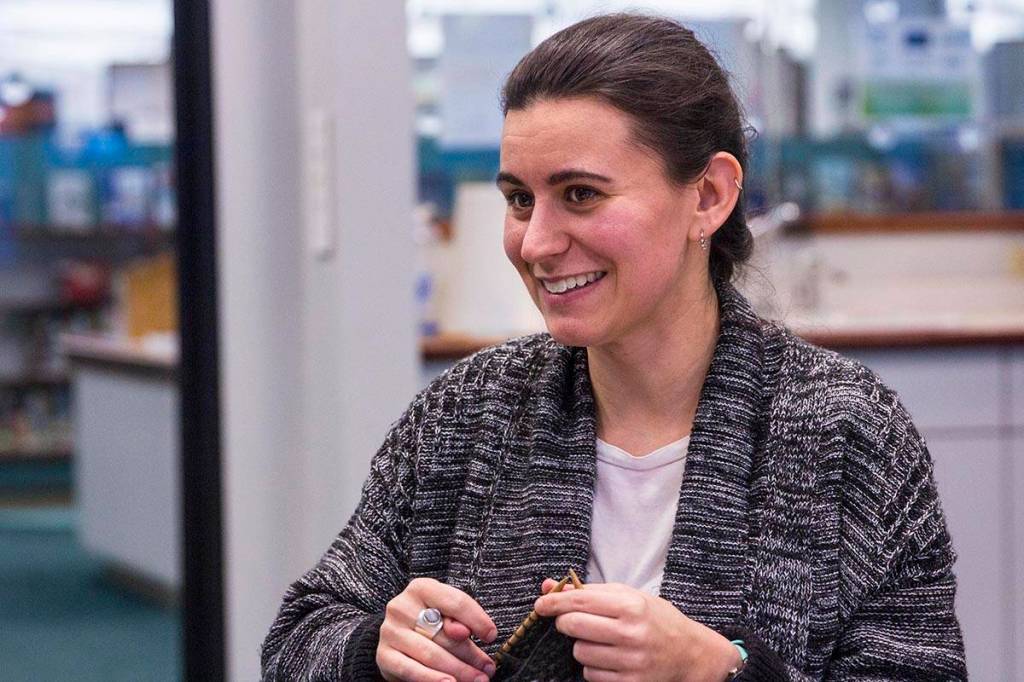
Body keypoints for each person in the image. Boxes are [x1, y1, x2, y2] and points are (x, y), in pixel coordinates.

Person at [261, 14, 966, 681]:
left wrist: (719, 670)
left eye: (580, 194)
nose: (535, 242)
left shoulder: (846, 433)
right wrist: (375, 651)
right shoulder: (463, 417)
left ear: (709, 196)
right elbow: (298, 639)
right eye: (518, 199)